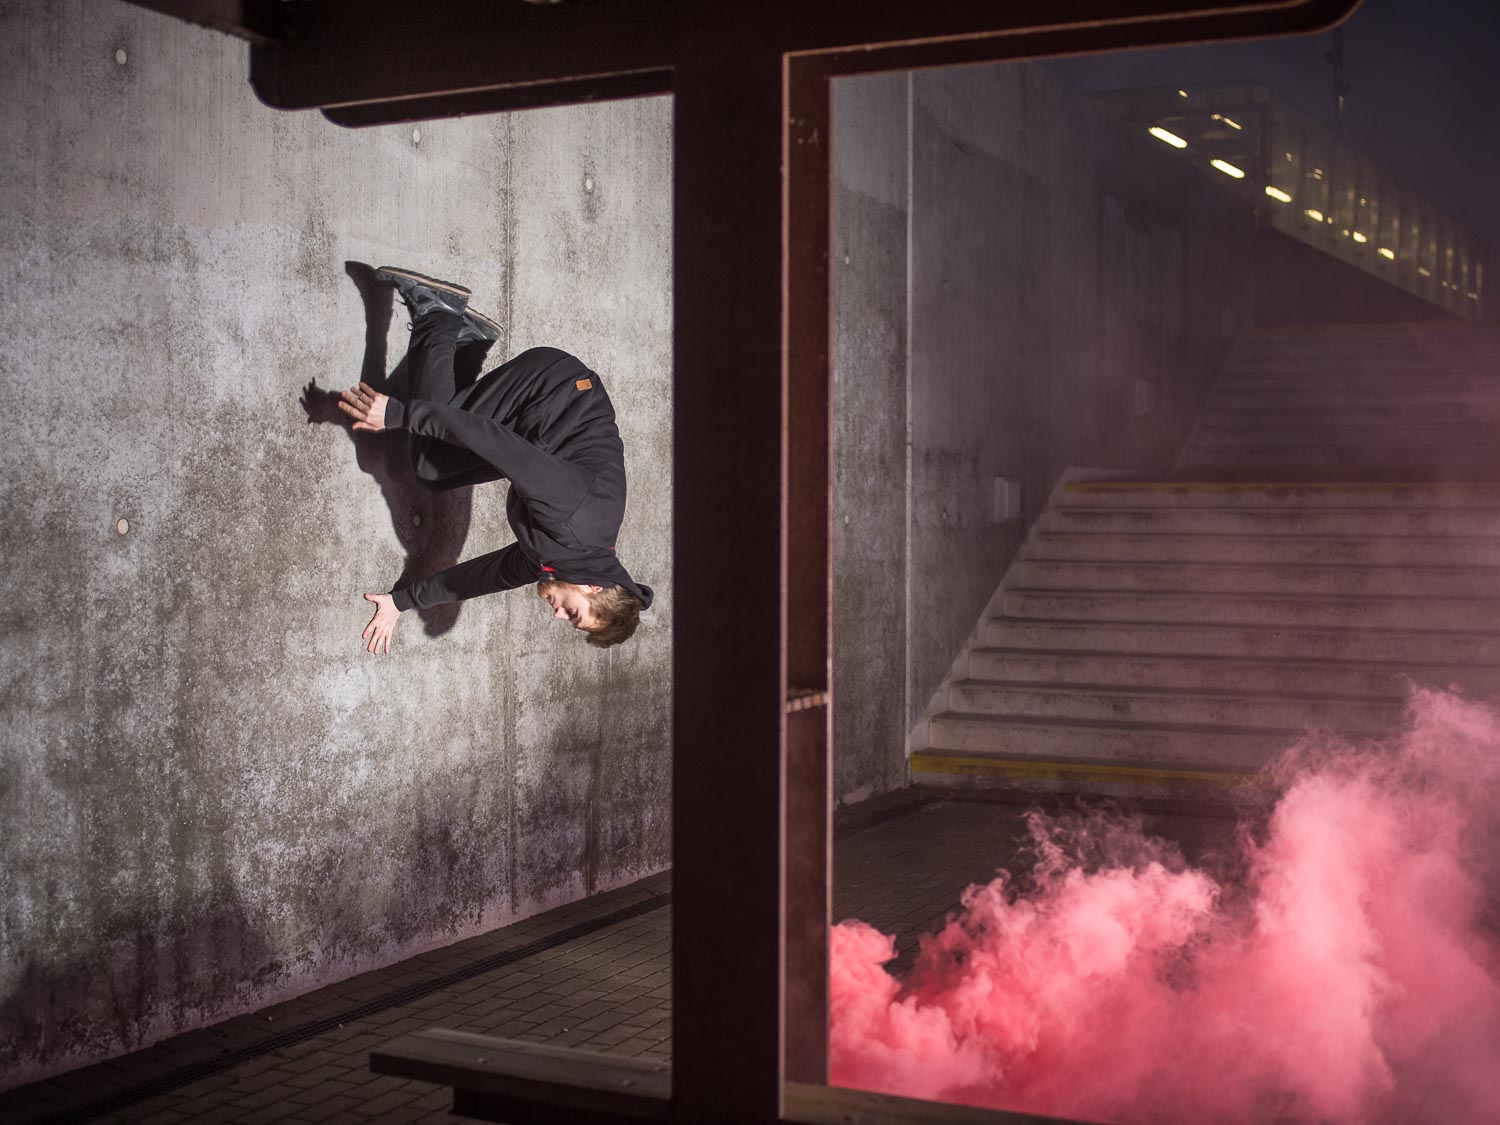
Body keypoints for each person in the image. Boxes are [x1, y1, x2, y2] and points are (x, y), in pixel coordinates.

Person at [338, 267, 653, 654]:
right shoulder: (576, 519)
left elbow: (484, 577)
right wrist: (398, 414)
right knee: (428, 451)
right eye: (574, 615)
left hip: (533, 431)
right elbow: (495, 442)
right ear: (594, 587)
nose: (558, 616)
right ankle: (438, 314)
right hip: (552, 390)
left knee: (432, 472)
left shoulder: (561, 559)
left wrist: (401, 602)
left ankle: (468, 341)